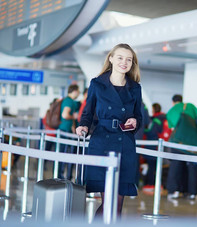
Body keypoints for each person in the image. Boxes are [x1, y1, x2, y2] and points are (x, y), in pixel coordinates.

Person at [76, 43, 142, 218]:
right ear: (111, 58)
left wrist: (135, 121)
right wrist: (83, 125)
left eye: (129, 59)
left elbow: (139, 117)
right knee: (109, 205)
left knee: (117, 208)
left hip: (125, 146)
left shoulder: (135, 88)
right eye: (120, 57)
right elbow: (88, 112)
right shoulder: (97, 84)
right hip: (102, 143)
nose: (124, 62)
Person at [166, 94, 197, 200]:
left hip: (178, 144)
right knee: (192, 167)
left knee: (176, 166)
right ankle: (192, 192)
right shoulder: (190, 106)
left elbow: (173, 128)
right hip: (192, 144)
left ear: (173, 102)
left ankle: (175, 191)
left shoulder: (170, 111)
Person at [58, 84, 80, 179]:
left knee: (62, 152)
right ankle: (60, 174)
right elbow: (64, 115)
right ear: (74, 91)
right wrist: (74, 117)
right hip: (65, 130)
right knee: (62, 153)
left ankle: (61, 173)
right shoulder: (69, 101)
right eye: (78, 91)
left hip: (66, 129)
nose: (79, 93)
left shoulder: (68, 100)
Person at [143, 103, 166, 190]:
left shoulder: (156, 120)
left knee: (151, 167)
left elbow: (151, 132)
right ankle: (156, 184)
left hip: (152, 147)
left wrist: (143, 131)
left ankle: (150, 184)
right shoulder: (162, 118)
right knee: (156, 167)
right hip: (159, 147)